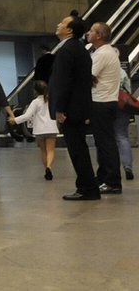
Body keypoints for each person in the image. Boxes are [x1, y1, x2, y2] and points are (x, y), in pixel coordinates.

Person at [51, 12, 99, 200]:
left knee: (77, 149)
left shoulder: (67, 50)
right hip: (79, 106)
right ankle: (87, 186)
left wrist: (60, 108)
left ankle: (87, 188)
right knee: (79, 148)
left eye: (62, 23)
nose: (58, 25)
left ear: (69, 30)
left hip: (71, 108)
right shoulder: (79, 49)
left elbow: (64, 82)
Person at [86, 21, 123, 194]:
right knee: (103, 143)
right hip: (106, 101)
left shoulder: (102, 54)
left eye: (92, 31)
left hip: (101, 102)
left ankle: (112, 181)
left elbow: (89, 77)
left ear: (99, 35)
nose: (88, 33)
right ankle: (103, 177)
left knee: (106, 143)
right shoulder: (106, 52)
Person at [9, 81, 58, 180]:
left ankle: (46, 170)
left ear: (35, 91)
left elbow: (27, 116)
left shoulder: (35, 102)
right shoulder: (52, 100)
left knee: (43, 151)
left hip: (39, 130)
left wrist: (15, 120)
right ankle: (49, 167)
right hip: (52, 128)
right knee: (51, 150)